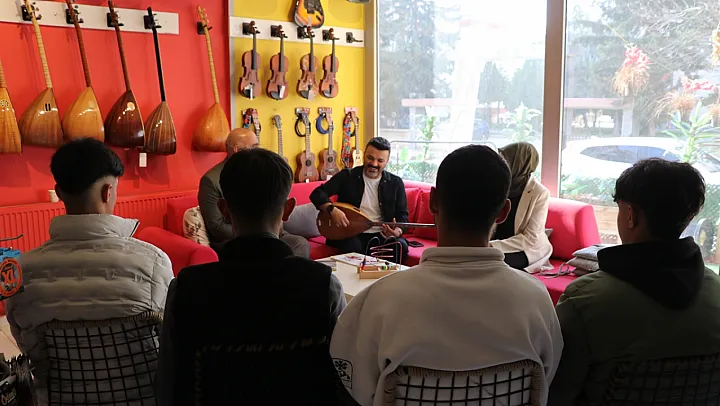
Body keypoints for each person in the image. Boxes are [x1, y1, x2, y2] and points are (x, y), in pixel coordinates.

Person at [330, 145, 563, 406]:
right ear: (503, 211)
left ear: (433, 201)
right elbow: (548, 376)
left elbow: (355, 383)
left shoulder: (379, 300)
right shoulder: (538, 301)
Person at [156, 148, 347, 405]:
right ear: (288, 209)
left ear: (224, 209)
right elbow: (342, 379)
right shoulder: (325, 285)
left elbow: (168, 387)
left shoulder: (185, 288)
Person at [6, 138, 174, 406]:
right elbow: (170, 341)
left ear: (59, 192)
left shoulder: (20, 271)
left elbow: (27, 346)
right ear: (108, 191)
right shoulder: (154, 262)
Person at [548, 159, 720, 406]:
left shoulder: (584, 300)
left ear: (630, 215)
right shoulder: (716, 290)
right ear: (689, 215)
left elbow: (557, 393)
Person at [198, 127, 311, 257]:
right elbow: (217, 227)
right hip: (234, 238)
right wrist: (258, 233)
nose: (259, 151)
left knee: (299, 243)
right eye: (254, 147)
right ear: (237, 149)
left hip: (272, 233)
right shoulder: (211, 180)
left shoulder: (265, 171)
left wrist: (271, 232)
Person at [310, 137, 408, 263]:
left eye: (380, 160)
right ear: (364, 155)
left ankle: (386, 275)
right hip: (348, 233)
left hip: (381, 235)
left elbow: (403, 215)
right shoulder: (347, 176)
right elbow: (317, 193)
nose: (374, 164)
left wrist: (397, 232)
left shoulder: (395, 183)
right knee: (353, 248)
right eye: (370, 158)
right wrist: (332, 210)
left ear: (387, 161)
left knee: (400, 246)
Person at [491, 142, 553, 272]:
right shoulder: (499, 184)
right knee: (472, 259)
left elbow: (531, 238)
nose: (499, 165)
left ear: (518, 163)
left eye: (504, 160)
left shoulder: (539, 193)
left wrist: (491, 245)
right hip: (494, 243)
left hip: (525, 248)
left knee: (492, 263)